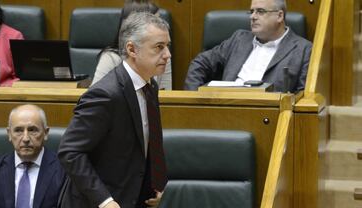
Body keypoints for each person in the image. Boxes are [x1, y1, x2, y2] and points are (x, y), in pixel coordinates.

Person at [58, 12, 170, 208]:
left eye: (167, 46)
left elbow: (147, 143)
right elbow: (70, 152)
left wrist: (158, 185)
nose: (168, 54)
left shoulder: (149, 85)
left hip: (133, 196)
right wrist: (105, 201)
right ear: (132, 49)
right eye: (159, 47)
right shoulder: (105, 94)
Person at [184, 0, 312, 92]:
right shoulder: (239, 39)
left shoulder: (303, 50)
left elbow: (302, 96)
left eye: (260, 12)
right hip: (226, 108)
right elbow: (201, 62)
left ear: (279, 16)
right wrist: (194, 99)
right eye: (251, 11)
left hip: (269, 117)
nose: (252, 17)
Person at [0, 104, 66, 208]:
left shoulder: (64, 170)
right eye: (18, 130)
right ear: (9, 134)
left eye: (32, 130)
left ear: (46, 133)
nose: (25, 138)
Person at [91, 1, 172, 90]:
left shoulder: (163, 58)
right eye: (154, 20)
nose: (160, 25)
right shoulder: (111, 58)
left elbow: (165, 96)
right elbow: (96, 93)